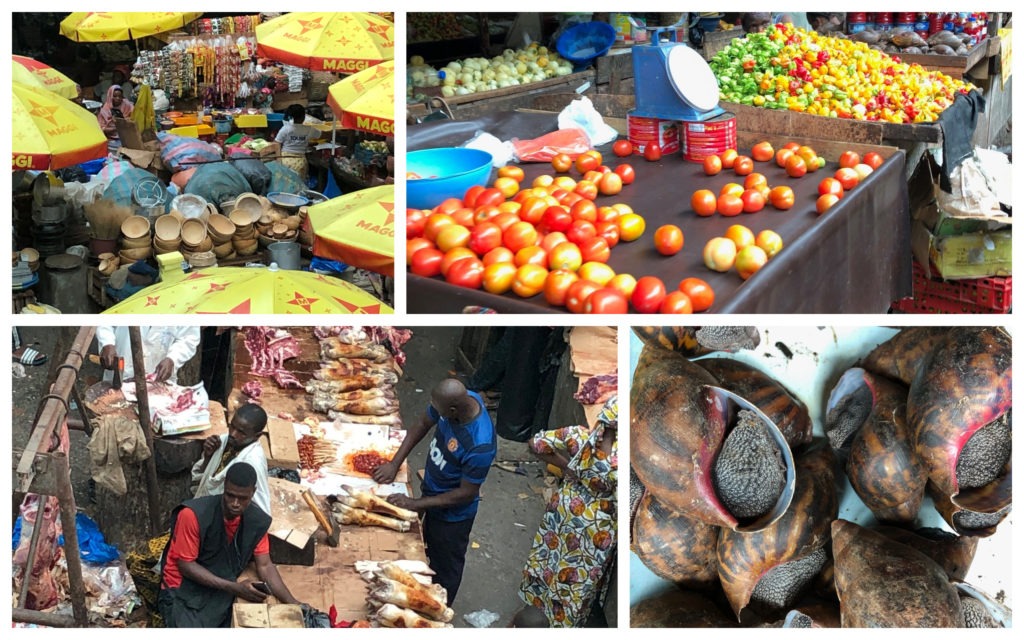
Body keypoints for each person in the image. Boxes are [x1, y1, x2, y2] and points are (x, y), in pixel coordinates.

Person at [372, 378, 496, 606]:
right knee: (418, 547)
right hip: (431, 490)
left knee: (444, 568)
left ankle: (438, 613)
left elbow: (465, 494)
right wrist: (394, 463)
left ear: (452, 410)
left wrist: (416, 504)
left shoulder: (480, 444)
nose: (434, 412)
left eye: (439, 411)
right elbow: (421, 424)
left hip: (453, 517)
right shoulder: (454, 401)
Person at [158, 462, 300, 627]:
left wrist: (293, 603)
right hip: (182, 588)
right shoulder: (193, 515)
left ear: (253, 492)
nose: (235, 503)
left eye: (242, 498)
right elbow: (185, 565)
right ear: (224, 486)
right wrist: (234, 588)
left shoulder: (256, 520)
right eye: (230, 495)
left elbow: (265, 565)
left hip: (220, 585)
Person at [518, 395, 618, 627]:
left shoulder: (578, 436)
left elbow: (535, 444)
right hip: (595, 533)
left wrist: (568, 467)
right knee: (575, 581)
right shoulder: (620, 461)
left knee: (547, 561)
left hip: (561, 515)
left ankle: (531, 619)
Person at [192, 403, 271, 516]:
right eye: (232, 426)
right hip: (203, 510)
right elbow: (204, 479)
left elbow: (260, 510)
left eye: (241, 432)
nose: (233, 434)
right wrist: (208, 456)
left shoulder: (252, 463)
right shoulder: (225, 441)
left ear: (257, 436)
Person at [96, 326, 200, 384]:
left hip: (158, 381)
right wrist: (107, 343)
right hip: (121, 374)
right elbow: (106, 324)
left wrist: (173, 358)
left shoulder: (184, 304)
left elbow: (189, 338)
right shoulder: (132, 298)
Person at [275, 103, 315, 184]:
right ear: (304, 117)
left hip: (285, 160)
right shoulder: (309, 129)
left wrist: (279, 160)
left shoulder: (286, 128)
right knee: (298, 185)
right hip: (300, 163)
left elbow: (276, 143)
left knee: (284, 184)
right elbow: (324, 134)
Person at [96, 84, 135, 149]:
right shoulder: (105, 110)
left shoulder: (127, 105)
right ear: (110, 96)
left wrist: (126, 121)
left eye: (120, 96)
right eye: (115, 96)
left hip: (126, 135)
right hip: (111, 137)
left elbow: (134, 118)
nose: (118, 98)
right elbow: (101, 128)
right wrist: (116, 128)